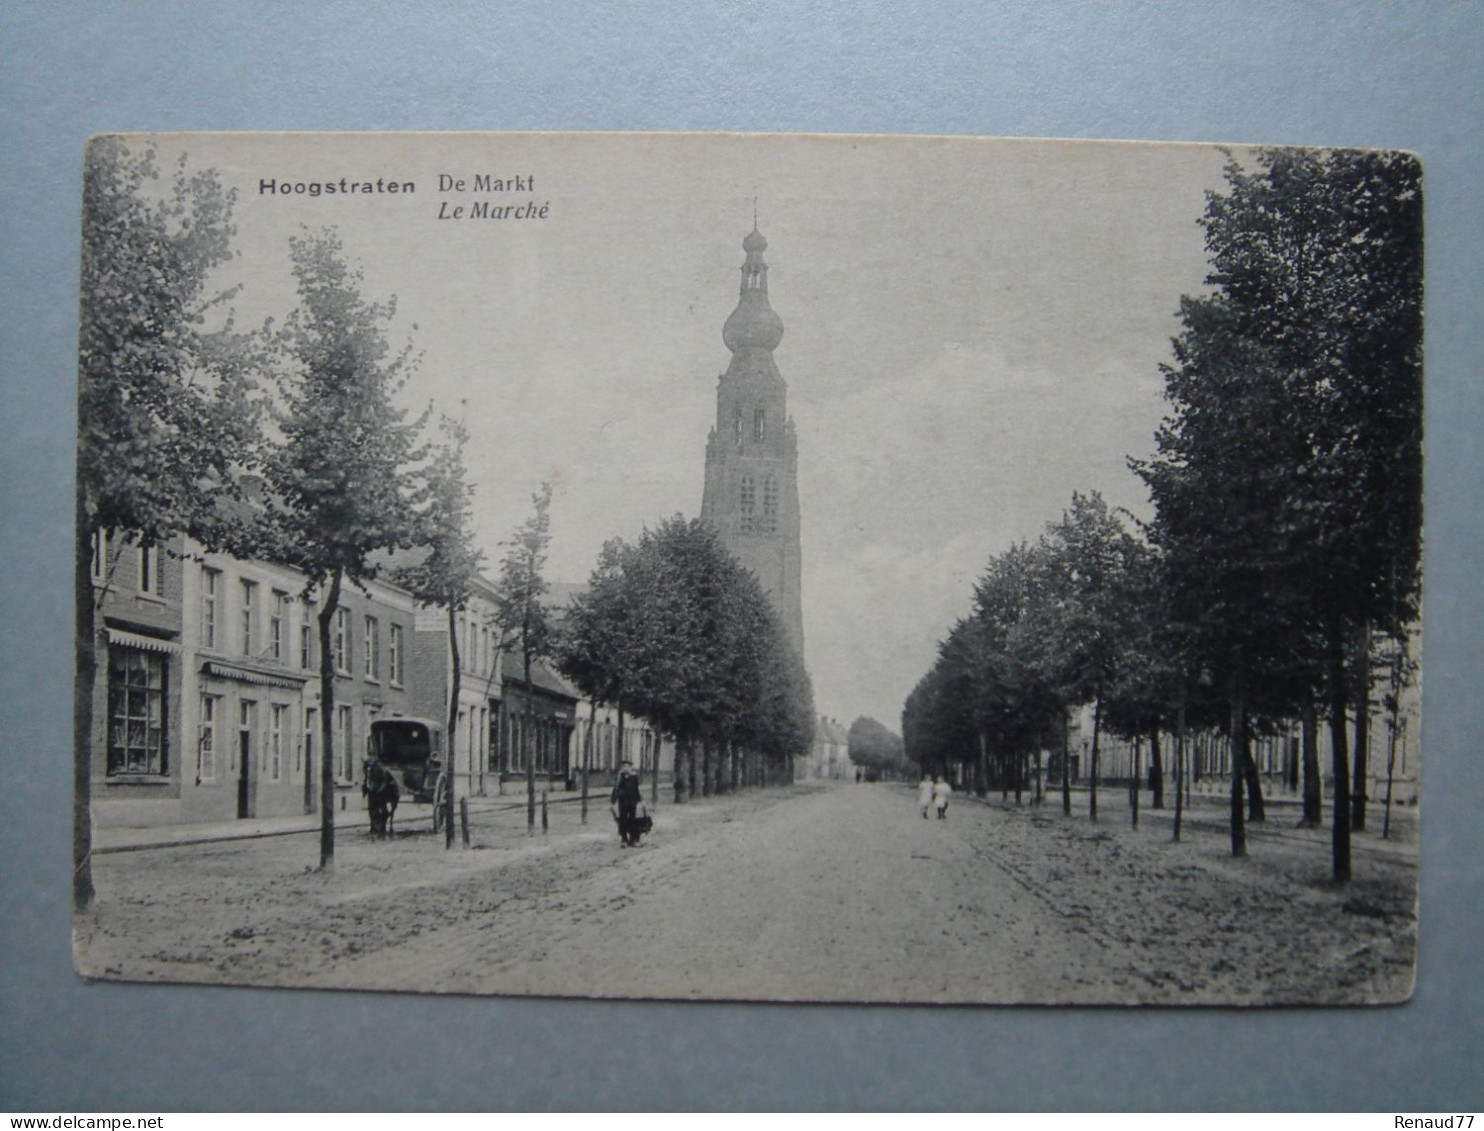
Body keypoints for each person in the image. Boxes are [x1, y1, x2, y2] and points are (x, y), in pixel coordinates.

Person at [611, 759, 643, 847]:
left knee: (633, 820)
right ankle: (624, 839)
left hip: (633, 801)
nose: (626, 768)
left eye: (628, 766)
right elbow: (616, 789)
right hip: (622, 801)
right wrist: (613, 800)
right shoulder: (619, 777)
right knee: (623, 820)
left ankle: (633, 839)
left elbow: (637, 789)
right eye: (624, 766)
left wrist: (641, 801)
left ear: (631, 768)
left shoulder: (634, 777)